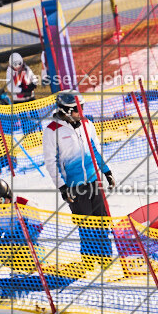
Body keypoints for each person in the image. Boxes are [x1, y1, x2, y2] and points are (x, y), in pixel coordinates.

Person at [42, 91, 115, 269]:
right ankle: (89, 260)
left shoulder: (87, 124)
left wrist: (107, 171)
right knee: (87, 223)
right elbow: (51, 162)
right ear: (66, 111)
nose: (81, 112)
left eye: (82, 107)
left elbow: (95, 151)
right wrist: (62, 187)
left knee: (102, 219)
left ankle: (105, 257)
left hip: (93, 180)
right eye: (77, 109)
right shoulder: (52, 131)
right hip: (74, 186)